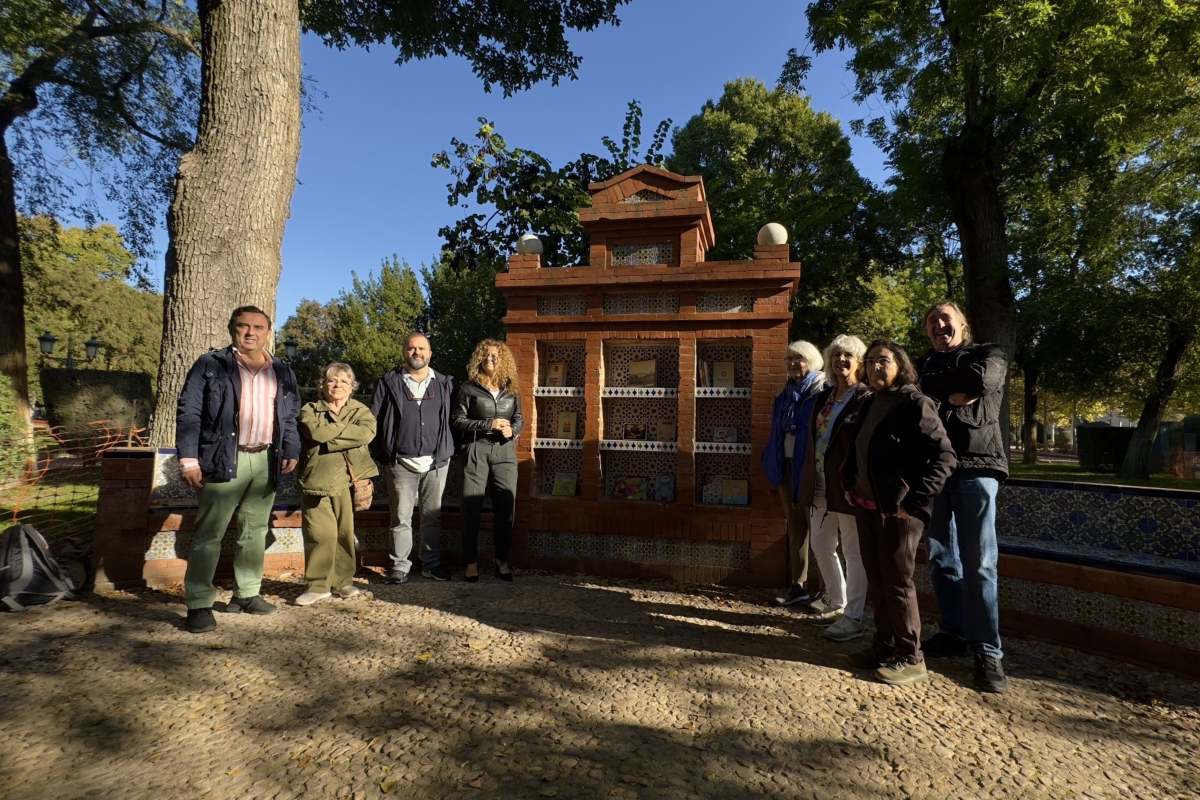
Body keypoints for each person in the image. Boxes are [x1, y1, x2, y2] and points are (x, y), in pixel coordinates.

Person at [176, 305, 300, 633]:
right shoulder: (211, 365)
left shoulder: (282, 370)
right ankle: (199, 603)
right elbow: (190, 412)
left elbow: (288, 414)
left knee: (254, 531)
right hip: (223, 457)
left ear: (268, 331)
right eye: (243, 326)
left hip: (265, 460)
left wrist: (290, 447)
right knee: (209, 533)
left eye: (258, 327)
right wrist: (189, 459)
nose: (250, 332)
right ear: (232, 328)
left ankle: (246, 593)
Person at [841, 340, 956, 686]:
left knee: (896, 583)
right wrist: (849, 481)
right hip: (866, 507)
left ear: (900, 365)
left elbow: (945, 457)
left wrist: (915, 502)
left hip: (899, 513)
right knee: (878, 579)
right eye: (872, 361)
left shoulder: (913, 403)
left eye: (884, 361)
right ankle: (885, 645)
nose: (876, 367)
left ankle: (911, 656)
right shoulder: (868, 402)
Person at [917, 301, 1010, 692]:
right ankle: (954, 632)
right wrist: (950, 388)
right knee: (941, 556)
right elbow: (917, 391)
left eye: (946, 319)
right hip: (936, 467)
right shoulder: (924, 363)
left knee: (981, 561)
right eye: (932, 321)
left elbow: (980, 382)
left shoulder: (990, 355)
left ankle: (988, 650)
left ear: (962, 325)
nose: (940, 325)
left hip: (978, 465)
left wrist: (951, 385)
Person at [797, 335, 870, 641]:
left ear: (859, 362)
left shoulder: (865, 397)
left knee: (853, 549)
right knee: (821, 545)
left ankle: (853, 615)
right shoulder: (824, 398)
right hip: (820, 482)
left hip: (846, 485)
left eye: (849, 356)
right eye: (837, 355)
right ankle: (836, 601)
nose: (842, 360)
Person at [370, 333, 456, 584]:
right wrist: (379, 453)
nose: (416, 352)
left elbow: (456, 418)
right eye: (411, 348)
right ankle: (399, 566)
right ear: (404, 352)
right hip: (400, 462)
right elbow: (371, 419)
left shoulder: (445, 383)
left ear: (430, 353)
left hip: (436, 462)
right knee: (400, 517)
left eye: (422, 348)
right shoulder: (388, 382)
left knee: (432, 516)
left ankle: (431, 564)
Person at [295, 363, 378, 606]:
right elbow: (315, 432)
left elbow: (366, 433)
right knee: (319, 533)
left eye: (343, 381)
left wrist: (329, 434)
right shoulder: (310, 409)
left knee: (344, 533)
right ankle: (317, 585)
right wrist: (344, 435)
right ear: (323, 384)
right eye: (332, 380)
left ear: (352, 387)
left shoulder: (361, 410)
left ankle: (343, 582)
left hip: (349, 480)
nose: (337, 385)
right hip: (316, 480)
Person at [761, 340, 827, 607]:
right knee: (796, 527)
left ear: (811, 361)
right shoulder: (784, 394)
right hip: (785, 465)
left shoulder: (821, 392)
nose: (793, 364)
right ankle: (797, 586)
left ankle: (825, 590)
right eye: (789, 359)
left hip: (810, 468)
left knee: (820, 532)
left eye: (798, 359)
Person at [452, 339, 523, 582]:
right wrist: (488, 424)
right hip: (475, 449)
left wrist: (512, 430)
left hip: (504, 453)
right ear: (479, 359)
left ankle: (502, 560)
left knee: (506, 508)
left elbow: (519, 418)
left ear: (503, 360)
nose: (491, 359)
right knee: (471, 508)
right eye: (486, 355)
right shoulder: (468, 388)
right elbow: (457, 421)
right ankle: (470, 562)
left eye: (496, 356)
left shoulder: (510, 388)